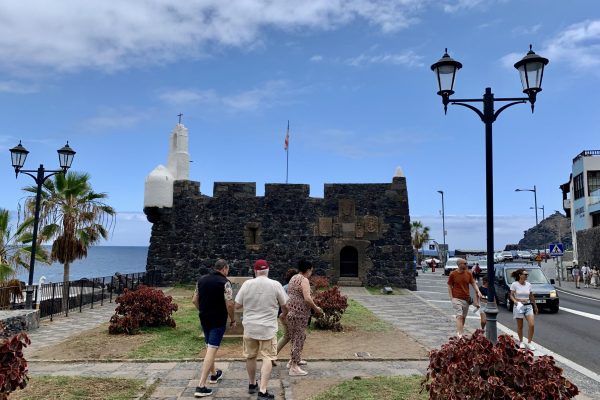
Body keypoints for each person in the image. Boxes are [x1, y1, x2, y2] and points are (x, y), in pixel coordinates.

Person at [235, 259, 288, 400]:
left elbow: (237, 305)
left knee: (250, 356)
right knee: (267, 357)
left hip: (250, 327)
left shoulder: (247, 284)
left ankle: (252, 384)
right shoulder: (275, 284)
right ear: (268, 270)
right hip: (268, 329)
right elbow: (285, 305)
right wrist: (283, 314)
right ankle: (263, 390)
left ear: (255, 271)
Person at [192, 259, 236, 398]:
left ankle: (214, 375)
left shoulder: (201, 280)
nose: (227, 272)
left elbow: (194, 300)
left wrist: (203, 310)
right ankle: (201, 385)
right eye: (227, 269)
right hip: (218, 320)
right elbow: (229, 304)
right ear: (224, 268)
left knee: (209, 346)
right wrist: (233, 319)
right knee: (212, 349)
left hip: (204, 318)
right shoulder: (225, 283)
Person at [285, 259, 323, 376]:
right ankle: (294, 367)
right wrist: (316, 308)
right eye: (311, 270)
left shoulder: (293, 278)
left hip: (291, 312)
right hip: (299, 314)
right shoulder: (304, 280)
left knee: (296, 337)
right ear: (308, 270)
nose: (311, 273)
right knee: (299, 338)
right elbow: (307, 298)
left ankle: (293, 360)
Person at [447, 258, 482, 338]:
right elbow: (449, 285)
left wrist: (478, 291)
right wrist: (451, 297)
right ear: (459, 264)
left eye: (466, 263)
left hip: (466, 299)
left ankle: (460, 331)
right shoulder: (453, 274)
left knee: (463, 317)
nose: (466, 265)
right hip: (456, 298)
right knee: (459, 315)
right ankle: (459, 334)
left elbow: (473, 283)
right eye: (465, 263)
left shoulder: (468, 274)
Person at [510, 268, 538, 351]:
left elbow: (531, 296)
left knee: (532, 324)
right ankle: (521, 342)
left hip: (528, 306)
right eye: (525, 274)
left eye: (527, 275)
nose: (526, 276)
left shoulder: (528, 284)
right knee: (520, 326)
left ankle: (529, 343)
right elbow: (511, 295)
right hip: (519, 306)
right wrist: (515, 301)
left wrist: (535, 306)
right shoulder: (514, 284)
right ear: (520, 275)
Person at [275, 268, 301, 360]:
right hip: (288, 315)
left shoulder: (284, 287)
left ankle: (296, 358)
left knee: (291, 336)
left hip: (283, 314)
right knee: (292, 336)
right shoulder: (292, 288)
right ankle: (294, 359)